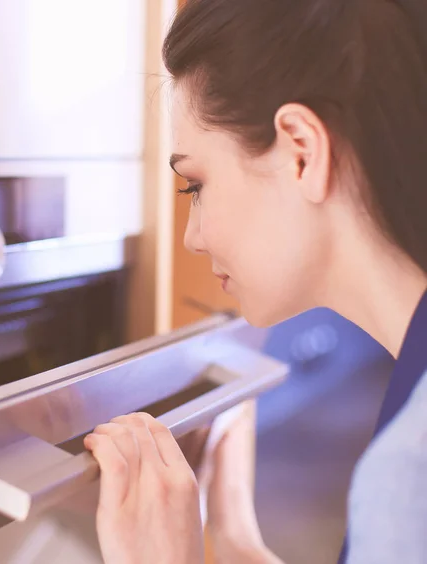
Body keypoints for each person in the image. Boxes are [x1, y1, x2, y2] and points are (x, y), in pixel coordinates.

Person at [83, 0, 427, 562]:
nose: (193, 236)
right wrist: (236, 533)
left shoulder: (409, 473)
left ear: (301, 151)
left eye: (194, 185)